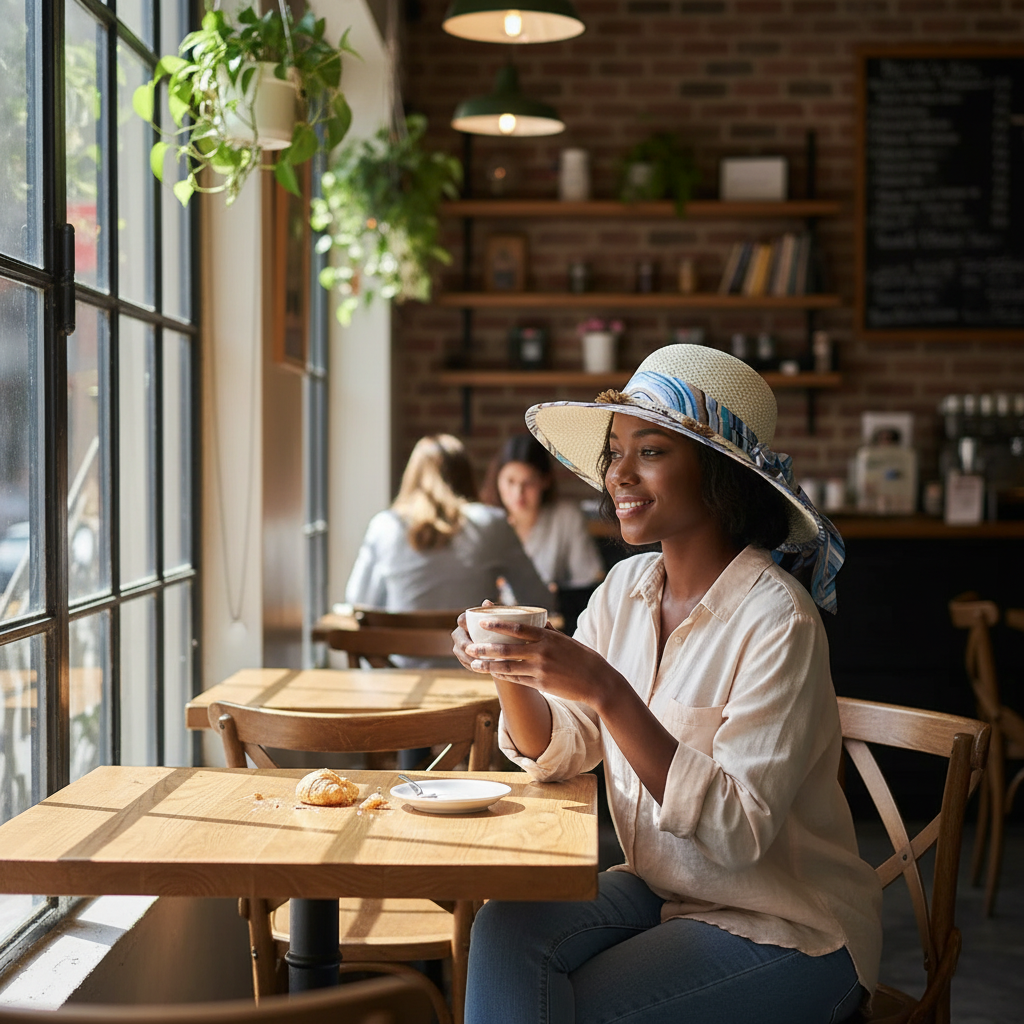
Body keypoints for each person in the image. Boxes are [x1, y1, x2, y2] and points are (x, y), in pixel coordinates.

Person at [452, 345, 882, 1024]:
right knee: (503, 927)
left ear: (721, 475)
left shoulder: (778, 620)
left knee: (574, 1008)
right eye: (614, 450)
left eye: (649, 451)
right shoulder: (624, 589)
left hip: (788, 925)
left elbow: (739, 835)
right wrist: (510, 667)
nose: (617, 473)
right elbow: (564, 749)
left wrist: (611, 693)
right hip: (661, 888)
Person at [345, 433, 554, 621]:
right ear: (466, 475)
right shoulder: (492, 523)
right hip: (474, 660)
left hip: (398, 662)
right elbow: (540, 601)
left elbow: (359, 601)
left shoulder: (385, 526)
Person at [480, 433, 604, 607]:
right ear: (497, 479)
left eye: (528, 483)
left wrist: (559, 594)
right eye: (510, 481)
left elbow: (588, 580)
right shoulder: (485, 521)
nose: (518, 493)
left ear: (545, 481)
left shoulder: (566, 517)